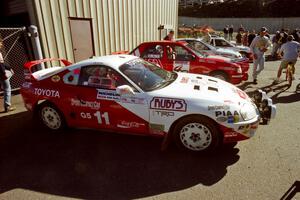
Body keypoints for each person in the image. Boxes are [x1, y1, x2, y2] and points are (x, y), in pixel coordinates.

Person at [0, 39, 16, 112]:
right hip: (1, 74)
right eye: (0, 42)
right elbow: (0, 65)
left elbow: (2, 64)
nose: (1, 44)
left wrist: (9, 68)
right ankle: (7, 106)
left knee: (6, 88)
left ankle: (7, 106)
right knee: (7, 89)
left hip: (1, 73)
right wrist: (4, 74)